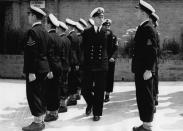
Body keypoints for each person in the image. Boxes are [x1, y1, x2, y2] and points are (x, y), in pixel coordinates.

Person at [81, 7, 116, 121]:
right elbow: (84, 49)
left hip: (101, 65)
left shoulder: (107, 33)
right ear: (94, 19)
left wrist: (106, 59)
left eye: (102, 17)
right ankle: (90, 103)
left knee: (99, 91)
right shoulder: (86, 32)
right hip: (89, 65)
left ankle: (97, 113)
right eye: (99, 17)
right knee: (85, 89)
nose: (101, 19)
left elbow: (111, 49)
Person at [131, 0, 158, 131]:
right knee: (141, 96)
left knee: (146, 97)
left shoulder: (148, 28)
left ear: (143, 13)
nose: (136, 13)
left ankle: (147, 126)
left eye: (138, 11)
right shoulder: (142, 27)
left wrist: (149, 69)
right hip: (140, 69)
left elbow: (152, 51)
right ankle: (145, 123)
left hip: (144, 70)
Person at [22, 6, 50, 131]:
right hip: (43, 68)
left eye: (29, 15)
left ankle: (37, 123)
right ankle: (41, 120)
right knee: (41, 93)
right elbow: (47, 52)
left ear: (34, 16)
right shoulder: (44, 31)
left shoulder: (32, 32)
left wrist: (31, 71)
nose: (28, 17)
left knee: (33, 95)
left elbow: (31, 53)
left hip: (36, 69)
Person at [44, 13, 64, 122]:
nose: (45, 25)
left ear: (49, 25)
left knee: (50, 91)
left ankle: (52, 114)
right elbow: (60, 55)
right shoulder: (59, 37)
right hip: (59, 66)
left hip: (51, 68)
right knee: (56, 90)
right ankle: (55, 112)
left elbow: (49, 55)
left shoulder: (48, 37)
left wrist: (49, 70)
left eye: (46, 23)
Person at [102, 19, 118, 102]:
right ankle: (100, 94)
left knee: (109, 78)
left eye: (108, 26)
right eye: (105, 26)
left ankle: (107, 94)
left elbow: (116, 49)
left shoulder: (114, 37)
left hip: (110, 60)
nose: (107, 27)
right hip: (102, 60)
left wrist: (113, 57)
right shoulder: (101, 36)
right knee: (101, 77)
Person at [65, 18, 80, 106]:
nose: (66, 28)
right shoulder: (76, 35)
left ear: (69, 26)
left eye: (67, 26)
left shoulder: (70, 36)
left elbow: (70, 51)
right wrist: (77, 62)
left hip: (71, 61)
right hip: (75, 60)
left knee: (71, 80)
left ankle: (72, 98)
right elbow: (78, 50)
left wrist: (69, 63)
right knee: (74, 79)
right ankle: (73, 96)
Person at [57, 20, 71, 113]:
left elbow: (60, 55)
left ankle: (62, 105)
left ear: (60, 29)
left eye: (57, 28)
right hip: (66, 65)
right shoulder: (67, 40)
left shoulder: (60, 40)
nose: (56, 30)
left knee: (61, 85)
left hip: (61, 65)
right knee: (65, 84)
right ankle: (64, 103)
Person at [149, 12, 160, 107]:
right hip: (154, 59)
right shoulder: (154, 31)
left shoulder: (153, 32)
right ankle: (155, 97)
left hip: (153, 60)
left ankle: (154, 99)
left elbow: (156, 48)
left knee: (153, 79)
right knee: (154, 79)